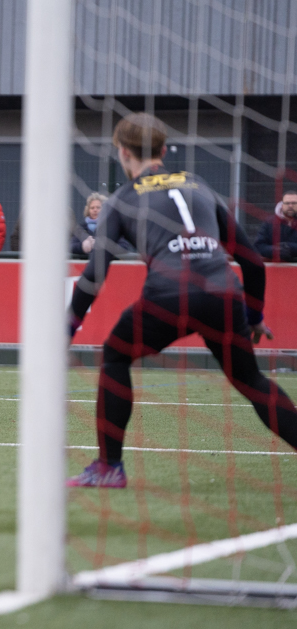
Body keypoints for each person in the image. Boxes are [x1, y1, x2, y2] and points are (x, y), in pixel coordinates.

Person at [67, 112, 297, 488]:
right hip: (223, 295)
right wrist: (254, 315)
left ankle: (109, 468)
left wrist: (67, 328)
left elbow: (95, 274)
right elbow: (253, 261)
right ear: (162, 150)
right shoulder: (198, 184)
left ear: (123, 153)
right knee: (250, 379)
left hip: (168, 296)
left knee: (115, 356)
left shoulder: (122, 198)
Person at [70, 192, 134, 256]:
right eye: (92, 208)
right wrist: (82, 247)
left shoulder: (113, 227)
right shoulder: (81, 228)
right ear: (88, 210)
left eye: (98, 207)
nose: (95, 210)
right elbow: (70, 246)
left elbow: (124, 247)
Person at [253, 190, 297, 262]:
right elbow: (259, 246)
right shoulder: (269, 222)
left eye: (294, 203)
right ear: (282, 205)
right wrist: (275, 251)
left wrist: (290, 247)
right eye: (287, 203)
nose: (290, 206)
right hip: (274, 269)